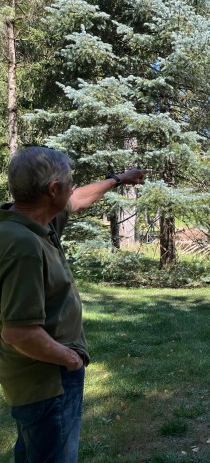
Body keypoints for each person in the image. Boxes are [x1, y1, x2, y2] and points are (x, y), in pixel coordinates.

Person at [0, 146, 147, 463]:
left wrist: (119, 178)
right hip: (48, 382)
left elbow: (79, 199)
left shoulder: (32, 222)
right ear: (53, 191)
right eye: (69, 182)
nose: (73, 187)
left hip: (33, 381)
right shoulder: (23, 244)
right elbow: (19, 333)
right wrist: (71, 360)